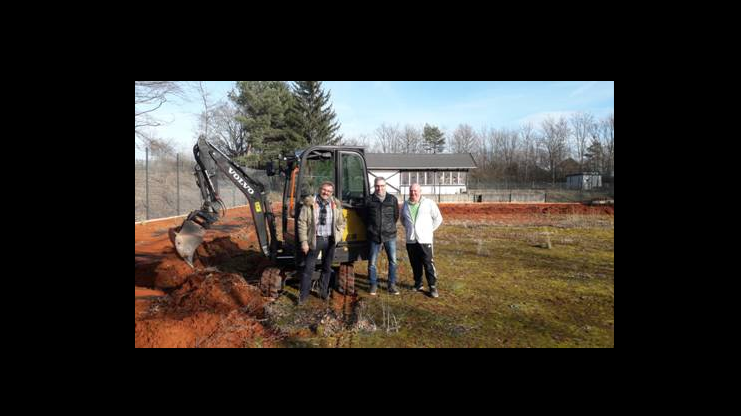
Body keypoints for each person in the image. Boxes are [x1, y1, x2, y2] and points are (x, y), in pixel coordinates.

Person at [297, 181, 346, 304]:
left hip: (330, 240)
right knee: (308, 269)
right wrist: (304, 242)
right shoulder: (310, 204)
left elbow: (341, 222)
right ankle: (303, 297)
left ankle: (323, 292)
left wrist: (338, 236)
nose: (326, 193)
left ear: (332, 193)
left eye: (329, 191)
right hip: (315, 240)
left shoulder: (335, 204)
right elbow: (301, 223)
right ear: (320, 189)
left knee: (327, 267)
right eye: (324, 190)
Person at [401, 182, 443, 298]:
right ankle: (418, 283)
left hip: (425, 240)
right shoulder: (405, 205)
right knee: (415, 264)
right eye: (411, 191)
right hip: (411, 240)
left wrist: (429, 230)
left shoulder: (429, 203)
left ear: (420, 192)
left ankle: (432, 286)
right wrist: (411, 230)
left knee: (428, 263)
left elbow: (438, 218)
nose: (413, 193)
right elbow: (403, 220)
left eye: (415, 191)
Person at [365, 177, 400, 295]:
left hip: (390, 235)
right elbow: (364, 217)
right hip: (374, 236)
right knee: (372, 262)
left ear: (386, 186)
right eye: (377, 186)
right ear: (374, 186)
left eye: (382, 186)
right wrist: (371, 227)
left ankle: (392, 285)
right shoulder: (369, 200)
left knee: (393, 261)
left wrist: (388, 227)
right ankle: (373, 284)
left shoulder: (392, 199)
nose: (380, 188)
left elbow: (395, 216)